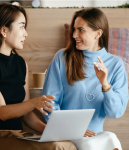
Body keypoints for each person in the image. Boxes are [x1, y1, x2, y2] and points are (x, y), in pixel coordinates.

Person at [0, 3, 77, 150]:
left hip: (17, 134)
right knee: (56, 147)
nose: (26, 33)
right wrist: (34, 102)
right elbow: (2, 112)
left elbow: (26, 115)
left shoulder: (21, 63)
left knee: (66, 144)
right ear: (4, 30)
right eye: (21, 26)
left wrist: (54, 132)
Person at [42, 7, 128, 150]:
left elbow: (115, 112)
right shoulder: (62, 58)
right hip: (66, 133)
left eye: (81, 30)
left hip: (95, 135)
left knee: (111, 138)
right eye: (74, 29)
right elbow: (48, 105)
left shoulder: (116, 65)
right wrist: (72, 129)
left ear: (98, 33)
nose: (74, 34)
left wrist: (105, 85)